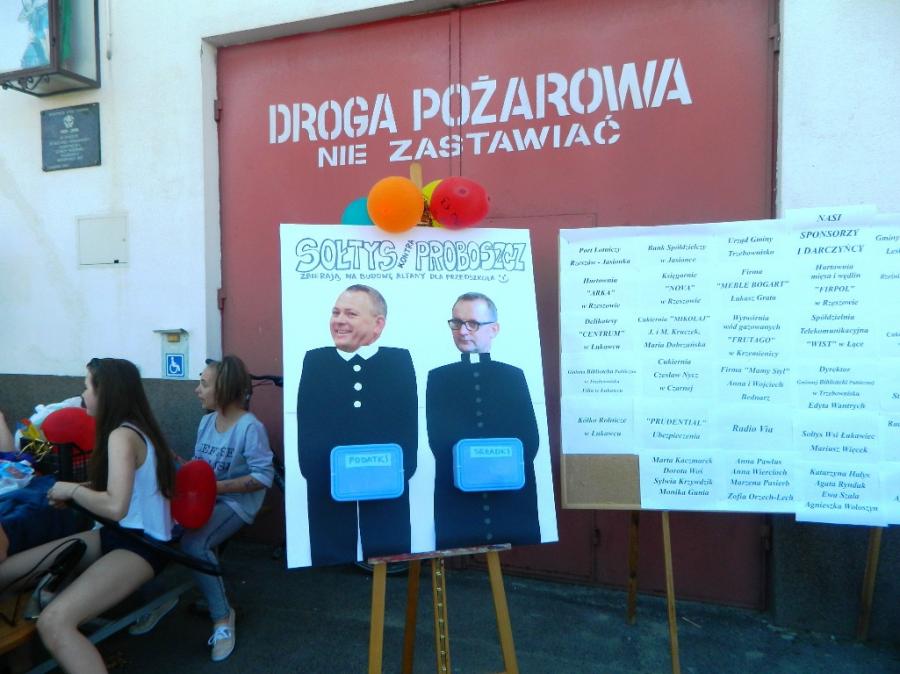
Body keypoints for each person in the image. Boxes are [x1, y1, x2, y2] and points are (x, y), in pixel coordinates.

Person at [0, 357, 176, 674]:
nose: (82, 395)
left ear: (105, 392)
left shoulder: (121, 435)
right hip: (116, 535)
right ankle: (21, 665)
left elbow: (115, 506)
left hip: (140, 546)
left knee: (55, 623)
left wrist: (72, 490)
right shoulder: (133, 429)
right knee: (6, 574)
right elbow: (118, 491)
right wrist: (76, 493)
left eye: (87, 387)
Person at [130, 356, 273, 663]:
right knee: (153, 523)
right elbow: (199, 468)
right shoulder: (206, 422)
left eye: (204, 384)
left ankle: (222, 618)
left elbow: (263, 477)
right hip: (205, 498)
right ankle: (158, 600)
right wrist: (173, 462)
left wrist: (214, 487)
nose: (197, 390)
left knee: (195, 544)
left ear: (225, 389)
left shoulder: (250, 428)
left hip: (236, 503)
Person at [297, 284, 417, 566]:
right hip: (328, 487)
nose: (339, 320)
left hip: (385, 484)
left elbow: (407, 422)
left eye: (350, 314)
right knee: (331, 552)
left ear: (378, 324)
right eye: (335, 312)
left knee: (389, 547)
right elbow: (308, 422)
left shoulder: (398, 361)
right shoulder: (316, 361)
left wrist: (402, 472)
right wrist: (314, 474)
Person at [426, 292, 541, 550]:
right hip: (456, 490)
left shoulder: (512, 376)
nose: (462, 331)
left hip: (508, 489)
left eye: (473, 324)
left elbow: (529, 439)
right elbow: (438, 439)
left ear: (494, 329)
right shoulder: (439, 377)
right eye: (457, 323)